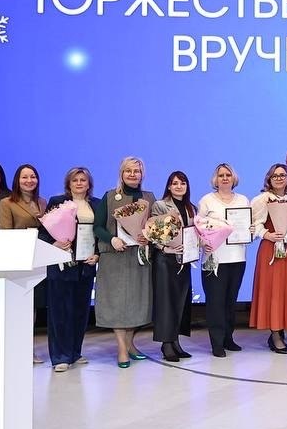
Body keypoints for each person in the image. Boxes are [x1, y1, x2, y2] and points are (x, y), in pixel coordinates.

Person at [93, 157, 154, 368]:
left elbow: (154, 226)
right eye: (128, 171)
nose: (132, 174)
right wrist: (112, 239)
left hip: (139, 258)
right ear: (121, 173)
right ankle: (121, 349)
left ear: (142, 174)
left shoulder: (149, 197)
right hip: (115, 257)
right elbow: (97, 226)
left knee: (137, 303)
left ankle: (130, 344)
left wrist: (148, 236)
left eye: (137, 171)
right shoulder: (110, 196)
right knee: (117, 303)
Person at [44, 167, 98, 372]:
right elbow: (44, 231)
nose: (79, 183)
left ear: (89, 183)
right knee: (60, 311)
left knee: (80, 311)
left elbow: (100, 233)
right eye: (75, 180)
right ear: (68, 183)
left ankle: (75, 352)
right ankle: (60, 356)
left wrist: (97, 255)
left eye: (83, 180)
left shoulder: (96, 204)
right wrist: (55, 243)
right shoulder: (57, 202)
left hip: (86, 265)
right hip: (62, 264)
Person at [249, 163, 287, 354]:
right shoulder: (261, 199)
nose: (279, 178)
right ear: (269, 179)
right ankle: (275, 335)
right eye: (275, 176)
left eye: (282, 175)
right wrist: (267, 235)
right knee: (273, 291)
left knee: (286, 290)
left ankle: (281, 330)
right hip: (270, 249)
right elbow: (254, 224)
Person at [198, 163, 251, 358]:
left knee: (230, 301)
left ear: (234, 178)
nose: (225, 178)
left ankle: (229, 338)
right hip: (214, 259)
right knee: (215, 302)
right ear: (216, 179)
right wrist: (203, 242)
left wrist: (250, 231)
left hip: (237, 258)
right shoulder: (207, 201)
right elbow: (198, 228)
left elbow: (247, 225)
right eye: (221, 175)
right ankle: (217, 342)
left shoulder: (243, 200)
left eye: (228, 175)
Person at [0, 163, 50, 364]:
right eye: (24, 177)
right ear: (17, 181)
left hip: (39, 259)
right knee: (18, 306)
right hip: (18, 260)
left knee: (33, 307)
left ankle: (28, 349)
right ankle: (15, 350)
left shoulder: (43, 202)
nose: (29, 180)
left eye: (33, 177)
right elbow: (5, 233)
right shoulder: (7, 203)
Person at [149, 171, 196, 362]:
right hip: (165, 260)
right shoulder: (160, 205)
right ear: (169, 186)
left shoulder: (192, 208)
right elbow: (152, 231)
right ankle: (166, 344)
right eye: (175, 183)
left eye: (182, 183)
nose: (179, 186)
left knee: (180, 302)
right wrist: (165, 248)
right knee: (165, 302)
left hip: (183, 261)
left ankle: (175, 341)